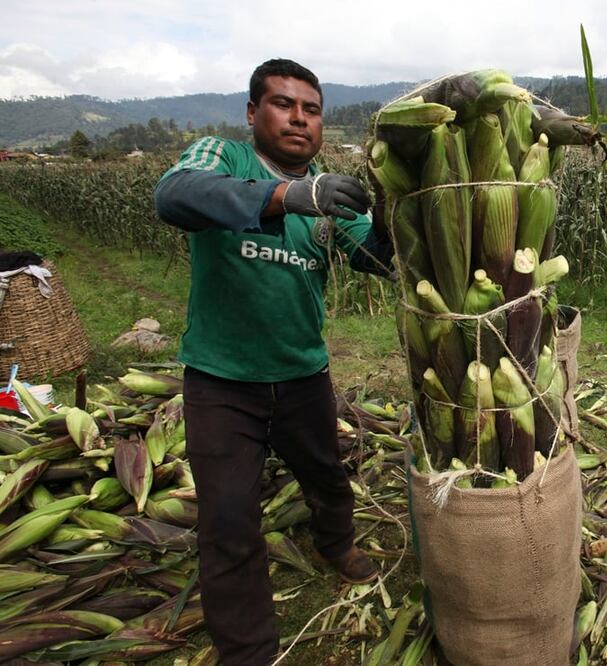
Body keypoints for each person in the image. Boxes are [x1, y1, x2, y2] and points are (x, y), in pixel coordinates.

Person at [154, 58, 392, 665]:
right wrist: (288, 195)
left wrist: (393, 213)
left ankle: (333, 545)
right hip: (221, 380)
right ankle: (248, 649)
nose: (299, 119)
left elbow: (376, 259)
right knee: (229, 520)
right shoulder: (222, 158)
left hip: (302, 372)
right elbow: (175, 196)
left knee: (329, 479)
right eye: (284, 104)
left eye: (311, 110)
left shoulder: (328, 192)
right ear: (253, 112)